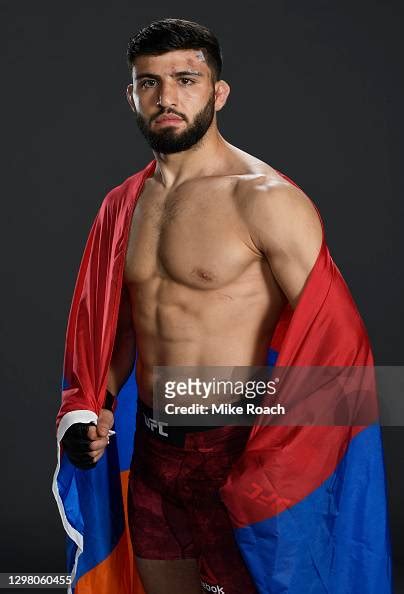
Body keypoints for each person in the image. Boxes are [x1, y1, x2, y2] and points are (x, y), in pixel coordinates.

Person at [58, 17, 392, 594]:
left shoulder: (265, 199)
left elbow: (338, 346)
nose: (167, 98)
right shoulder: (123, 206)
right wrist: (94, 405)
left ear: (218, 92)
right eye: (149, 83)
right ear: (131, 95)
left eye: (186, 79)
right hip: (157, 457)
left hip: (240, 453)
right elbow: (117, 332)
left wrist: (276, 455)